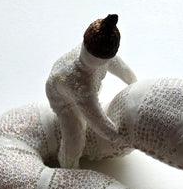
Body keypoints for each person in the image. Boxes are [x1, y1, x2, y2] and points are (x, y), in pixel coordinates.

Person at [45, 14, 137, 168]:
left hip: (82, 90)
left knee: (92, 96)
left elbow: (123, 70)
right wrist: (116, 137)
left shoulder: (106, 59)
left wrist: (135, 86)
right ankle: (69, 168)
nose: (89, 57)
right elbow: (94, 117)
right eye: (87, 52)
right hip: (61, 98)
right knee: (75, 136)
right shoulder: (81, 83)